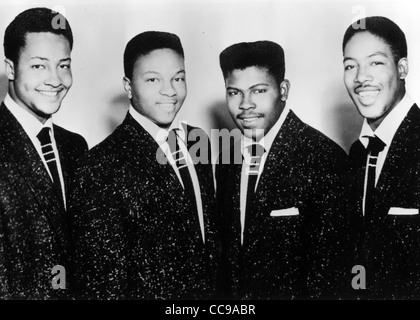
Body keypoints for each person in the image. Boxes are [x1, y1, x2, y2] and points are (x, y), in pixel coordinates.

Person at [68, 31, 218, 299]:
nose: (169, 90)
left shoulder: (198, 141)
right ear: (128, 86)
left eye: (178, 78)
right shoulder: (98, 166)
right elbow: (104, 285)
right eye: (152, 80)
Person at [216, 40, 351, 299]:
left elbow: (332, 278)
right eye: (234, 92)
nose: (245, 104)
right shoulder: (227, 158)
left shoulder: (324, 158)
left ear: (283, 90)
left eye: (258, 91)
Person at [0, 7, 88, 299]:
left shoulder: (75, 147)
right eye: (39, 66)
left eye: (63, 65)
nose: (55, 79)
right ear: (10, 68)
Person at [344, 16, 420, 299]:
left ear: (402, 68)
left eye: (375, 62)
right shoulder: (356, 154)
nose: (361, 77)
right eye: (350, 65)